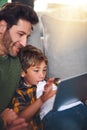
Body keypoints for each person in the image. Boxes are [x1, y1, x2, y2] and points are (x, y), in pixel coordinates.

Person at [0, 2, 38, 130]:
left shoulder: (16, 62)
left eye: (27, 37)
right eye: (20, 34)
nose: (24, 43)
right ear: (2, 27)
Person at [10, 44, 57, 130]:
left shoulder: (43, 82)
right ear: (22, 72)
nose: (42, 75)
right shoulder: (19, 91)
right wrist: (42, 99)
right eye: (36, 70)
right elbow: (20, 119)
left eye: (44, 70)